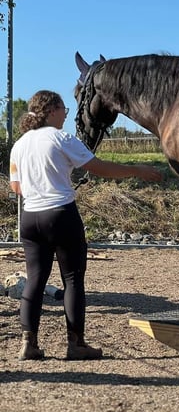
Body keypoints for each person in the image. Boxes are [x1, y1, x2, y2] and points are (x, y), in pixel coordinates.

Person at [9, 89, 163, 361]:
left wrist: (42, 183)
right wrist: (137, 170)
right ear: (52, 110)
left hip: (30, 218)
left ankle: (28, 343)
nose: (65, 117)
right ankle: (76, 343)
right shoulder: (61, 138)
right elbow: (99, 167)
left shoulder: (19, 144)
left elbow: (16, 187)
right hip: (60, 214)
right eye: (64, 111)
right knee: (72, 279)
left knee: (35, 280)